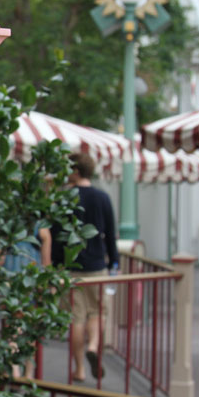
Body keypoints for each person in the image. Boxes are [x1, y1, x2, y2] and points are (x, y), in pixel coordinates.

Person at [49, 152, 119, 383]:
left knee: (75, 318)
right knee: (97, 311)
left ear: (76, 171)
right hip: (97, 265)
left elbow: (56, 234)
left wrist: (56, 266)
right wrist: (114, 262)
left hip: (70, 266)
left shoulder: (63, 199)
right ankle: (94, 345)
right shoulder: (102, 198)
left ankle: (79, 369)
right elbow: (110, 235)